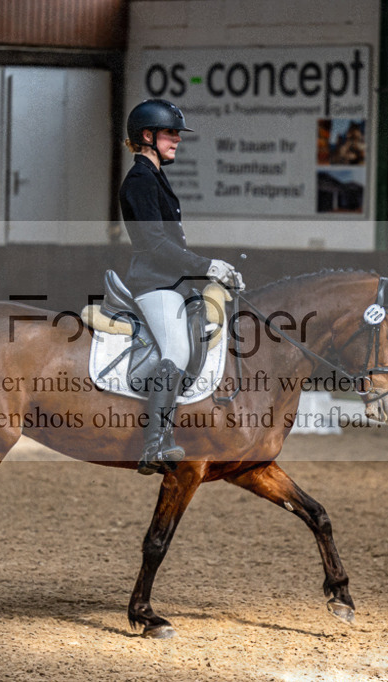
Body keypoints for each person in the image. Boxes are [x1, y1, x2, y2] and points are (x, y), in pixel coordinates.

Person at [119, 98, 244, 475]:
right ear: (147, 136)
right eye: (171, 133)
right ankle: (155, 443)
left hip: (172, 282)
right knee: (175, 346)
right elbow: (156, 245)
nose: (177, 140)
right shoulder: (140, 180)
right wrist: (207, 266)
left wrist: (212, 273)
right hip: (154, 284)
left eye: (176, 133)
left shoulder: (155, 176)